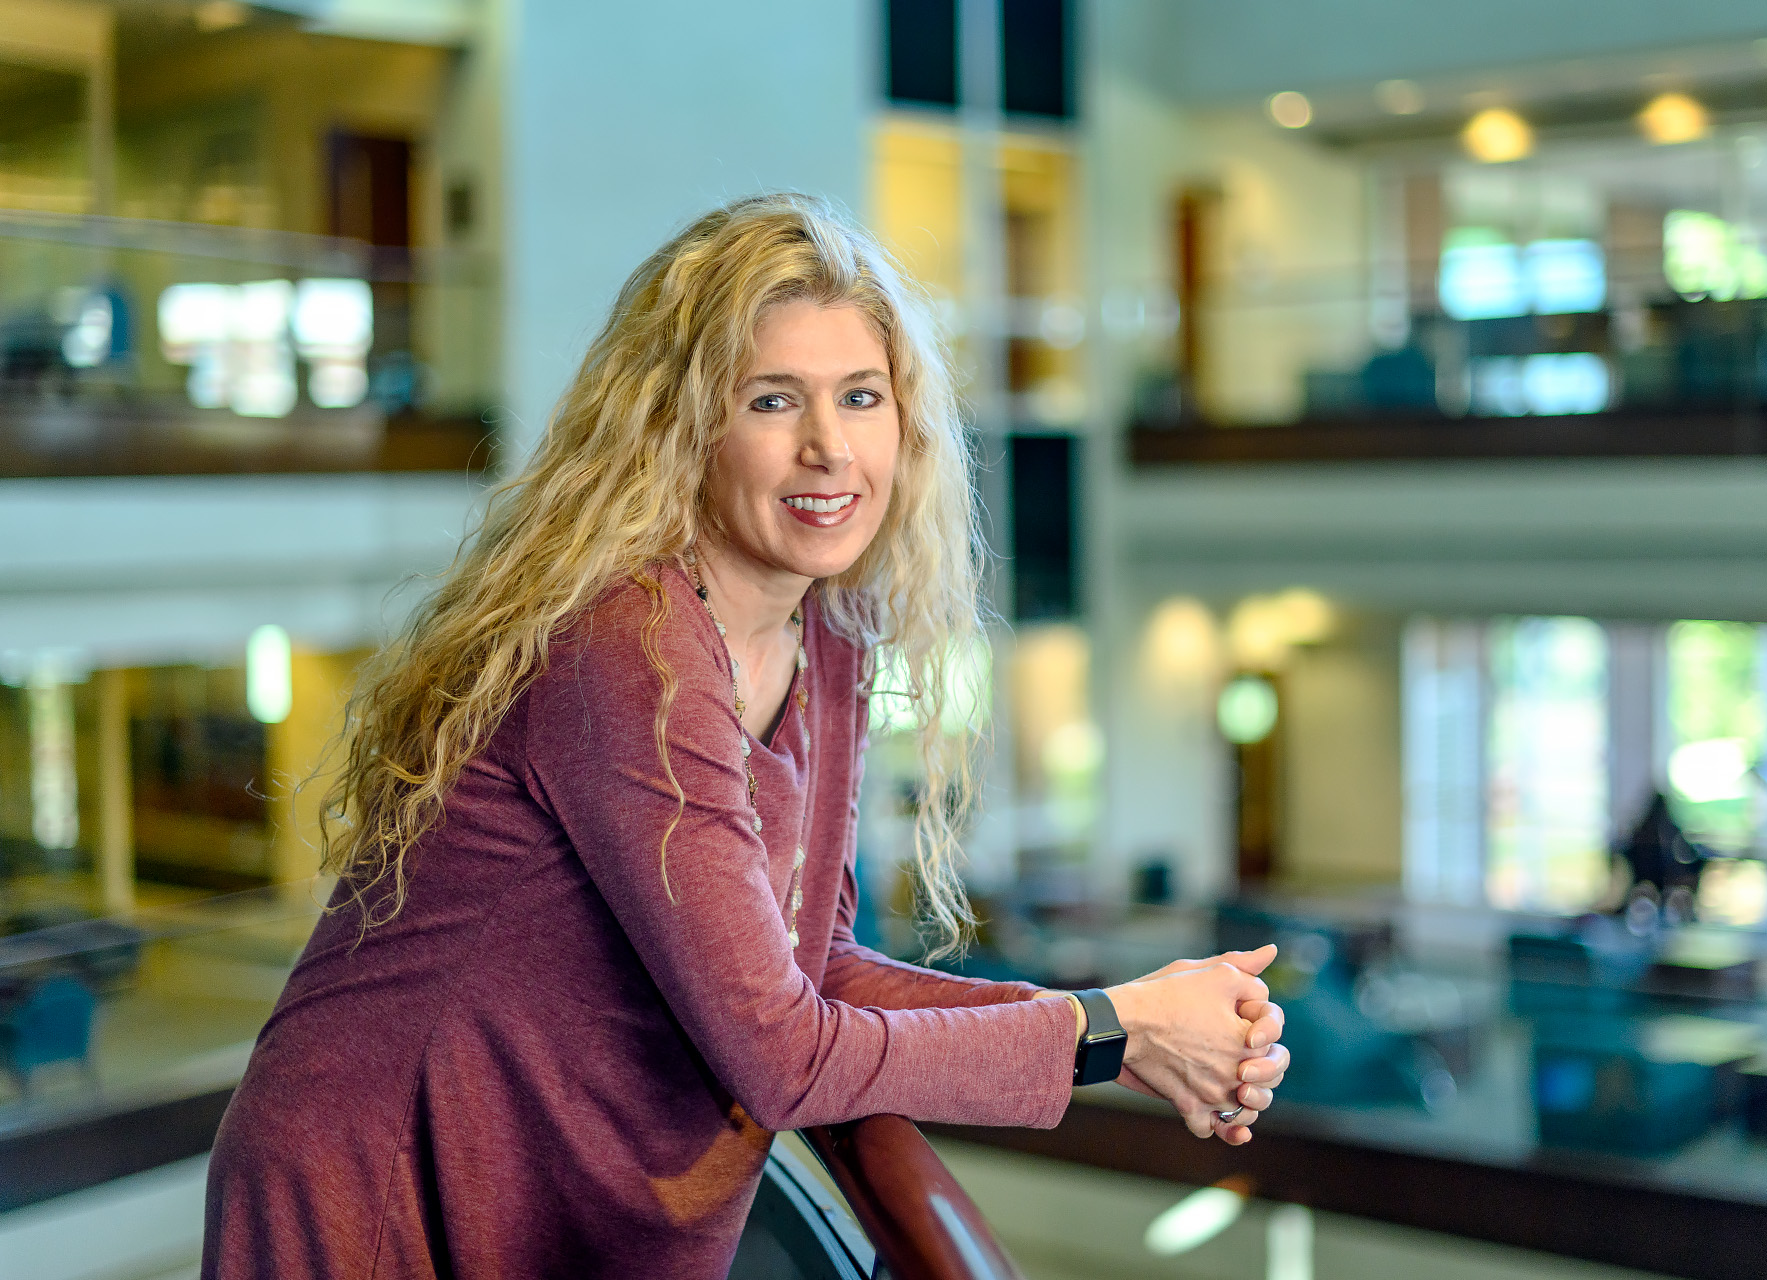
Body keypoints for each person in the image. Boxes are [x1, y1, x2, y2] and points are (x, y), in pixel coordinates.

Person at [203, 193, 1288, 1279]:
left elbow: (814, 969)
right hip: (379, 1178)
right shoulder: (631, 646)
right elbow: (780, 1052)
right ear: (684, 428)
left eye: (862, 396)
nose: (829, 448)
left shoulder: (827, 643)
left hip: (535, 1160)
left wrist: (1125, 1027)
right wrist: (1110, 1029)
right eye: (774, 400)